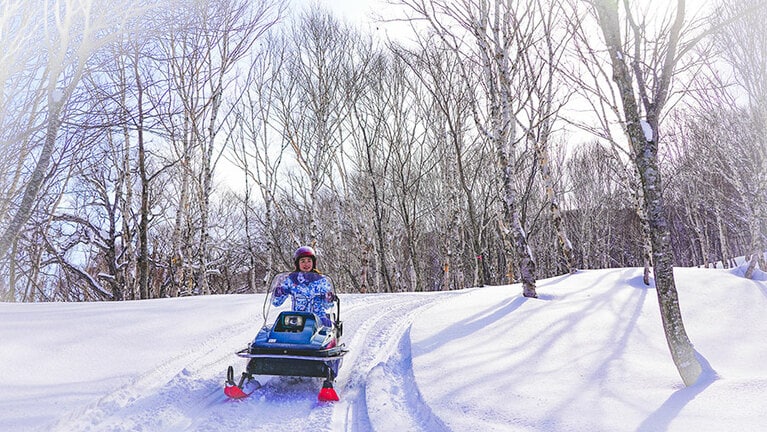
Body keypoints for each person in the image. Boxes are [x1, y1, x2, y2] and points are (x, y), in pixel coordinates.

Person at [272, 246, 335, 326]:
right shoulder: (291, 279)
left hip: (318, 318)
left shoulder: (321, 280)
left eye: (309, 261)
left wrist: (328, 299)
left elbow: (327, 306)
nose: (306, 264)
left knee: (326, 332)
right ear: (297, 263)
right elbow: (276, 303)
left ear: (313, 263)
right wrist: (280, 293)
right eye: (302, 261)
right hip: (297, 319)